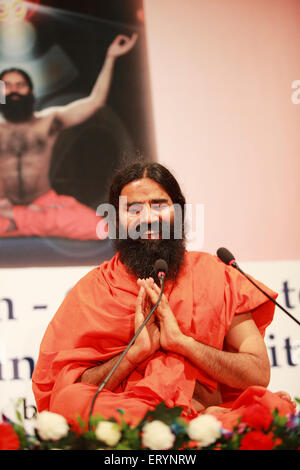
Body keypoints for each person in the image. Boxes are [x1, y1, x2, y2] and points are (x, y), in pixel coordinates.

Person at [32, 161, 296, 431]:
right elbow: (67, 390)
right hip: (132, 413)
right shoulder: (94, 289)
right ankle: (184, 428)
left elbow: (258, 373)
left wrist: (183, 344)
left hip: (200, 414)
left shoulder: (216, 275)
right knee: (71, 401)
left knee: (273, 407)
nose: (148, 218)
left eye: (159, 205)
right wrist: (135, 354)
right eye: (133, 209)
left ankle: (182, 428)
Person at [0, 33, 137, 240]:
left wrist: (111, 57)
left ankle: (17, 221)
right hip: (3, 204)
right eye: (7, 86)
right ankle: (23, 219)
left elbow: (95, 101)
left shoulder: (49, 120)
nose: (14, 90)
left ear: (31, 91)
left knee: (98, 227)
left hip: (45, 204)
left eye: (20, 85)